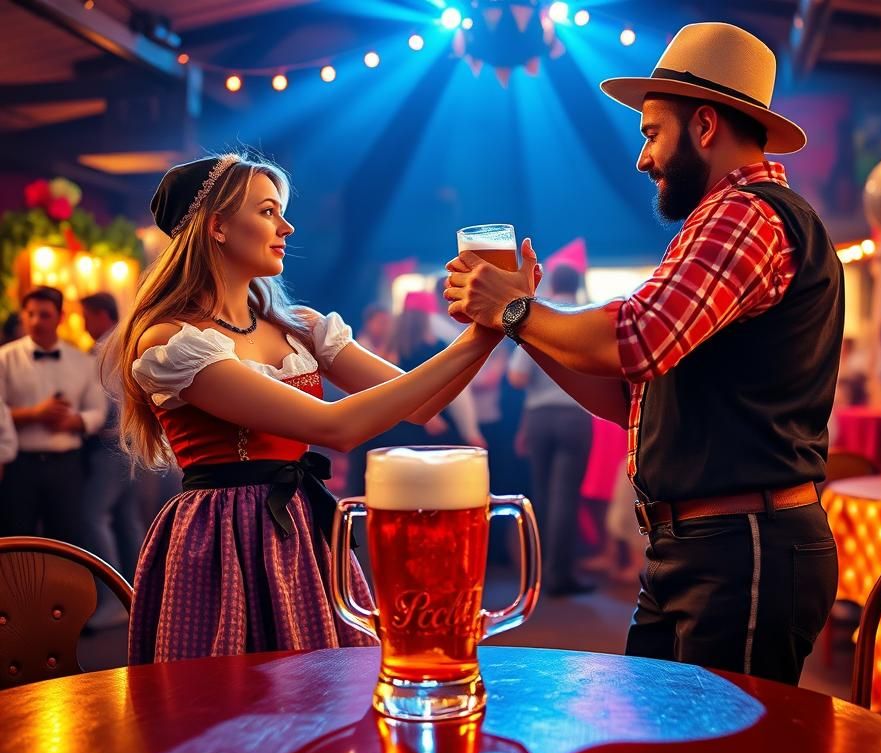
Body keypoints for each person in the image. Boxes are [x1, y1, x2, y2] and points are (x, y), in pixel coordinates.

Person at [446, 23, 842, 684]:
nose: (642, 158)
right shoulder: (727, 220)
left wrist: (516, 310)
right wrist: (522, 323)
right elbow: (628, 397)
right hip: (709, 548)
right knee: (669, 729)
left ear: (705, 126)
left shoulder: (743, 214)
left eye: (652, 133)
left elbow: (634, 337)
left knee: (725, 736)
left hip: (740, 546)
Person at [111, 152, 510, 664]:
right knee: (227, 689)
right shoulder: (172, 341)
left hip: (301, 524)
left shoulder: (299, 326)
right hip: (223, 537)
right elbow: (335, 427)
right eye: (268, 211)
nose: (287, 227)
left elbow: (426, 403)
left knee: (325, 683)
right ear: (217, 227)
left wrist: (493, 325)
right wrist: (483, 329)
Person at [508, 265, 594, 596]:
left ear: (553, 283)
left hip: (538, 417)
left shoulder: (539, 319)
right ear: (578, 283)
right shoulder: (588, 317)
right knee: (565, 497)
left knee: (542, 495)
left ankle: (538, 575)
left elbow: (517, 377)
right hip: (575, 415)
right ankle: (560, 575)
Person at [0, 286, 107, 540]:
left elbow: (98, 411)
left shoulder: (83, 362)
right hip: (20, 465)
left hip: (67, 465)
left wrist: (75, 421)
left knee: (66, 541)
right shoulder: (4, 359)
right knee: (18, 540)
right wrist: (35, 414)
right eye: (30, 314)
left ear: (60, 317)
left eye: (45, 315)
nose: (36, 321)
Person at [79, 291, 144, 628]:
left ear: (102, 315)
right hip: (130, 442)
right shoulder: (127, 338)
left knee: (92, 516)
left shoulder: (107, 347)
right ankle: (139, 597)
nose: (83, 324)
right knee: (126, 519)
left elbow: (107, 403)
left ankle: (112, 598)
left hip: (112, 442)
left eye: (86, 316)